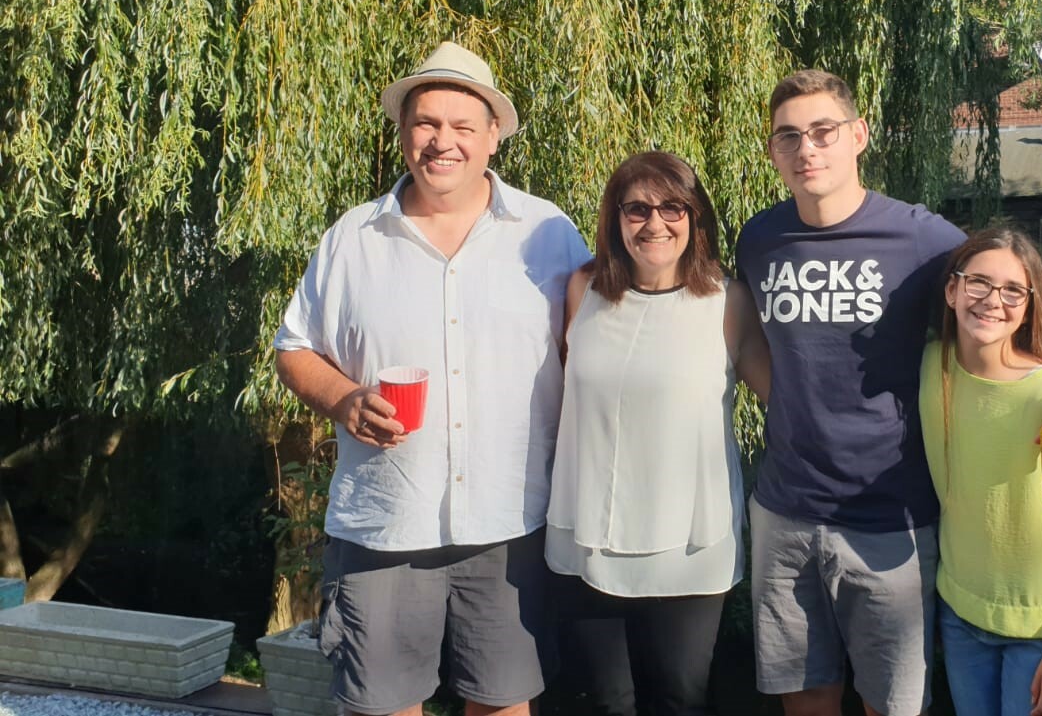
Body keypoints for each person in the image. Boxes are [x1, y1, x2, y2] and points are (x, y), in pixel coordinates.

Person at [735, 69, 1042, 716]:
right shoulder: (760, 240)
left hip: (891, 520)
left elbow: (1006, 292)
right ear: (772, 150)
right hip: (786, 511)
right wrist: (794, 406)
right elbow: (750, 342)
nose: (807, 150)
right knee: (806, 698)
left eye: (823, 131)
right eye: (789, 136)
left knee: (893, 703)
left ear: (859, 135)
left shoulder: (918, 238)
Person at [273, 41, 590, 716]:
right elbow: (294, 348)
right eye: (426, 123)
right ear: (403, 132)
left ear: (492, 137)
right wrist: (344, 396)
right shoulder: (353, 240)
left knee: (503, 704)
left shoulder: (550, 233)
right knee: (383, 706)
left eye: (461, 126)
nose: (442, 141)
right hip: (385, 522)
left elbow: (601, 344)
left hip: (512, 519)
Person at [544, 150, 770, 715]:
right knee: (605, 703)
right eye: (636, 208)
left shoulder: (727, 300)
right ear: (614, 219)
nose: (654, 222)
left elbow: (788, 402)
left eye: (672, 207)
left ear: (695, 217)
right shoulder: (582, 291)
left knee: (678, 699)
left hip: (689, 543)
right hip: (589, 535)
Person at [920, 229, 1042, 716]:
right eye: (978, 283)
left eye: (1013, 291)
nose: (992, 301)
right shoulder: (929, 367)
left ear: (1030, 308)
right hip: (963, 615)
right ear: (951, 291)